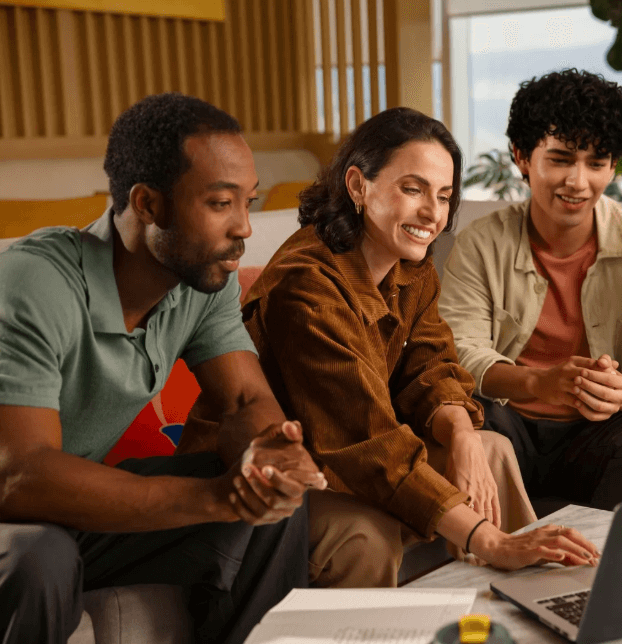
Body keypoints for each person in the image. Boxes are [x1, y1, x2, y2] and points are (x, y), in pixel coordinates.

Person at [219, 106, 599, 585]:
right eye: (412, 189)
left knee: (491, 449)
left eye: (443, 196)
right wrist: (490, 539)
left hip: (352, 461)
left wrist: (460, 432)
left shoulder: (409, 263)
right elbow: (367, 441)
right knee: (366, 533)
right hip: (279, 475)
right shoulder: (305, 287)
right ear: (358, 186)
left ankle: (528, 610)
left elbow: (433, 366)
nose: (432, 213)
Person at [0, 93, 327, 644]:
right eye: (222, 204)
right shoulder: (33, 284)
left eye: (247, 202)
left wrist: (268, 459)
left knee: (273, 508)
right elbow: (20, 475)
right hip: (17, 517)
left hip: (68, 516)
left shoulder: (201, 282)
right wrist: (215, 497)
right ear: (148, 204)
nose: (245, 228)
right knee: (40, 557)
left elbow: (245, 402)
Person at [438, 69, 622, 510]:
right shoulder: (480, 243)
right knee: (465, 415)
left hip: (601, 433)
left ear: (613, 166)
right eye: (560, 159)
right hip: (510, 421)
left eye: (596, 163)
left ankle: (601, 555)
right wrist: (539, 382)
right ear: (522, 158)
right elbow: (459, 349)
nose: (578, 182)